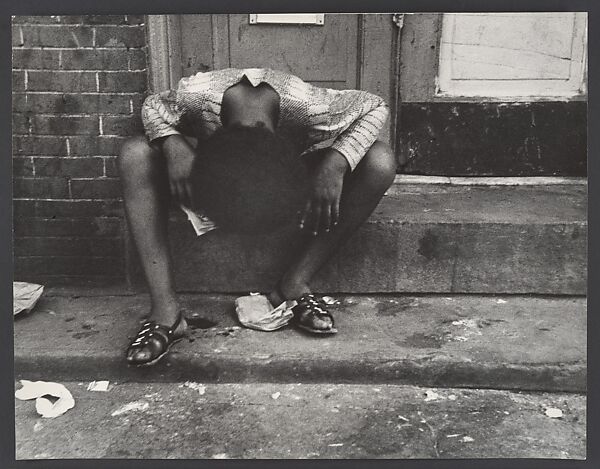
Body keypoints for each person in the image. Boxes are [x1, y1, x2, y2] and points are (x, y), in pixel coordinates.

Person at [119, 68, 396, 366]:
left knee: (380, 160)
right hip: (221, 164)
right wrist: (172, 144)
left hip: (282, 163)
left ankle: (294, 284)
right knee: (134, 152)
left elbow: (376, 105)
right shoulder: (194, 94)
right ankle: (166, 313)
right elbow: (152, 105)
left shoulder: (312, 108)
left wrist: (337, 161)